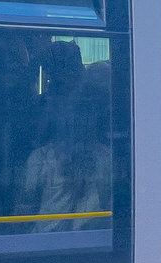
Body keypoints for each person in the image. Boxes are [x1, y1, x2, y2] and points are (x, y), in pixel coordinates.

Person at [20, 95, 113, 231]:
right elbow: (25, 205)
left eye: (87, 116)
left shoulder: (106, 157)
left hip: (95, 238)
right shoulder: (40, 158)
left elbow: (109, 203)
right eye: (75, 116)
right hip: (48, 239)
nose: (81, 122)